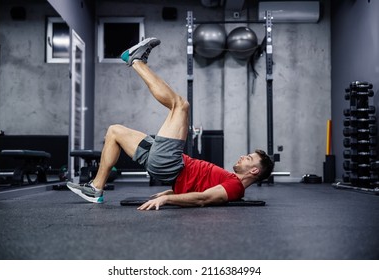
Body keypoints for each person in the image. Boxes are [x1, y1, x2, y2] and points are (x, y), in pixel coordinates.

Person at [67, 37, 274, 210]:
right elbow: (197, 188)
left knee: (180, 105)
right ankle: (96, 188)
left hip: (170, 163)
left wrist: (167, 199)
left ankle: (136, 60)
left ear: (254, 171)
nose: (242, 156)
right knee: (114, 131)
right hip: (169, 164)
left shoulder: (235, 186)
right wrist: (171, 191)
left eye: (248, 158)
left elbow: (204, 199)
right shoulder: (229, 178)